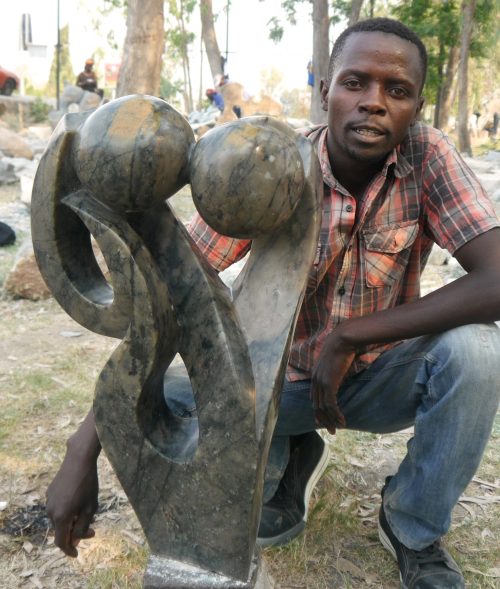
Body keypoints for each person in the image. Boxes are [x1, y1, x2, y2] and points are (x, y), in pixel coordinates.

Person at [46, 18, 500, 588]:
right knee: (185, 417)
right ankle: (291, 451)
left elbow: (496, 280)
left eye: (398, 91)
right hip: (274, 388)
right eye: (355, 83)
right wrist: (82, 450)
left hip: (377, 377)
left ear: (417, 105)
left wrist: (351, 336)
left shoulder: (427, 157)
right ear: (324, 91)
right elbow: (175, 288)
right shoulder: (273, 165)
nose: (374, 103)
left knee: (480, 353)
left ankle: (412, 527)